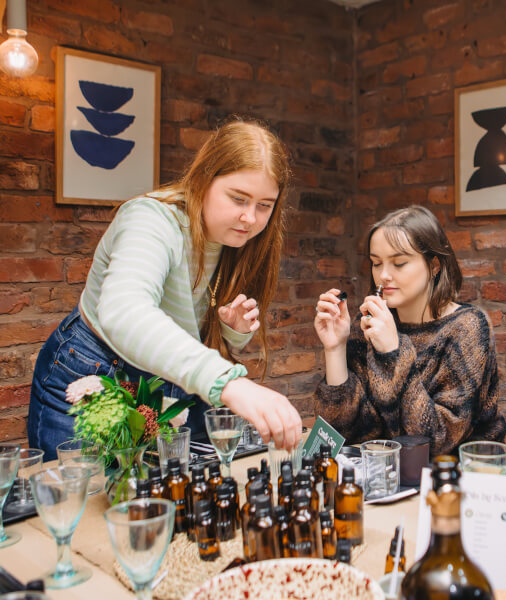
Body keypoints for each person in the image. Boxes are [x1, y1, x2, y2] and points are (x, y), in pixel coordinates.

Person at [28, 120, 303, 460]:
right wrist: (229, 383)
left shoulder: (239, 240)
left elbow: (182, 325)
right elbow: (124, 312)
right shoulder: (151, 219)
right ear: (204, 179)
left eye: (265, 205)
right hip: (92, 369)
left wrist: (230, 331)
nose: (250, 217)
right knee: (84, 501)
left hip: (163, 379)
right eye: (238, 198)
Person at [313, 205, 506, 466]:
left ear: (434, 265)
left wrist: (393, 354)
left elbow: (437, 443)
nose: (383, 275)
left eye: (399, 263)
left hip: (463, 479)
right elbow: (343, 433)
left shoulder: (467, 327)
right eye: (376, 263)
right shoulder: (370, 323)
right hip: (388, 477)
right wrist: (335, 349)